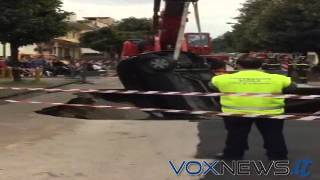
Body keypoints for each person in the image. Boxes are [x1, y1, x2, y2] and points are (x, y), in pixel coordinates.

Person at [211, 54, 296, 160]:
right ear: (260, 66)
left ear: (238, 65)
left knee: (236, 135)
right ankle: (278, 156)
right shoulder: (278, 78)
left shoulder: (222, 79)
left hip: (236, 113)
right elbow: (292, 88)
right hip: (270, 113)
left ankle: (233, 155)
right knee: (273, 135)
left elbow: (211, 86)